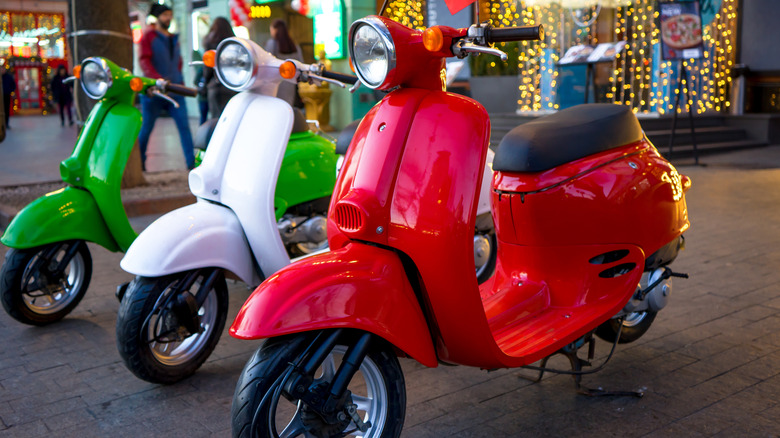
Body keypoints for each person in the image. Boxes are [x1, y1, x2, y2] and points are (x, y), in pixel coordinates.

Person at [138, 3, 195, 170]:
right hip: (154, 91)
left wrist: (181, 83)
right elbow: (144, 60)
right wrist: (156, 79)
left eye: (170, 14)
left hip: (175, 89)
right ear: (157, 17)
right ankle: (140, 163)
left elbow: (178, 62)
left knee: (184, 127)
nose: (168, 18)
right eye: (165, 15)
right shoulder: (149, 37)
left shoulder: (173, 38)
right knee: (146, 128)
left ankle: (191, 164)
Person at [202, 17, 237, 119]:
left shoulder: (210, 42)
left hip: (216, 86)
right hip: (232, 85)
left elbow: (207, 68)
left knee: (217, 121)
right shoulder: (233, 42)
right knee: (232, 119)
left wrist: (206, 82)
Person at [264, 19, 303, 107]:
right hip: (291, 82)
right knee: (288, 107)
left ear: (275, 30)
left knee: (277, 107)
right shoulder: (294, 46)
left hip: (276, 82)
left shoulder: (272, 43)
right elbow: (301, 64)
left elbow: (267, 63)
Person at [1, 64, 15, 130]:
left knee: (6, 110)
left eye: (2, 69)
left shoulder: (8, 77)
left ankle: (6, 123)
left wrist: (9, 90)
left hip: (6, 95)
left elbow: (13, 85)